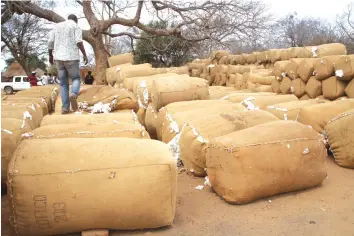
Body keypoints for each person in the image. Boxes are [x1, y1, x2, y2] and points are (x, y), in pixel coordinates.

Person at [48, 14, 88, 114]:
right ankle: (74, 94)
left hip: (58, 58)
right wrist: (84, 54)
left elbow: (50, 42)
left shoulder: (57, 27)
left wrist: (50, 56)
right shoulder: (75, 26)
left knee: (63, 84)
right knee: (75, 78)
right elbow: (79, 41)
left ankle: (65, 108)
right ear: (76, 20)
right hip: (72, 57)